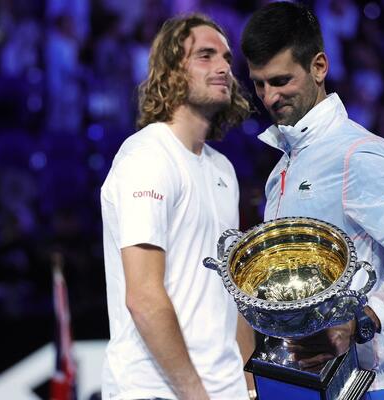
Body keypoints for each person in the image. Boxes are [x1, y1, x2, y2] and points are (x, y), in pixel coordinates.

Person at [240, 2, 384, 399]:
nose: (269, 97)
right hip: (291, 387)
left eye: (281, 80)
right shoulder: (279, 173)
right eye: (259, 84)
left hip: (365, 388)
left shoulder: (358, 155)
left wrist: (363, 319)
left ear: (319, 67)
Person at [101, 14, 255, 400]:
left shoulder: (223, 170)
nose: (222, 67)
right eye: (205, 56)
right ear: (170, 70)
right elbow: (143, 297)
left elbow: (232, 290)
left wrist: (249, 388)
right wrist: (196, 396)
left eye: (226, 58)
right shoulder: (147, 157)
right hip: (156, 392)